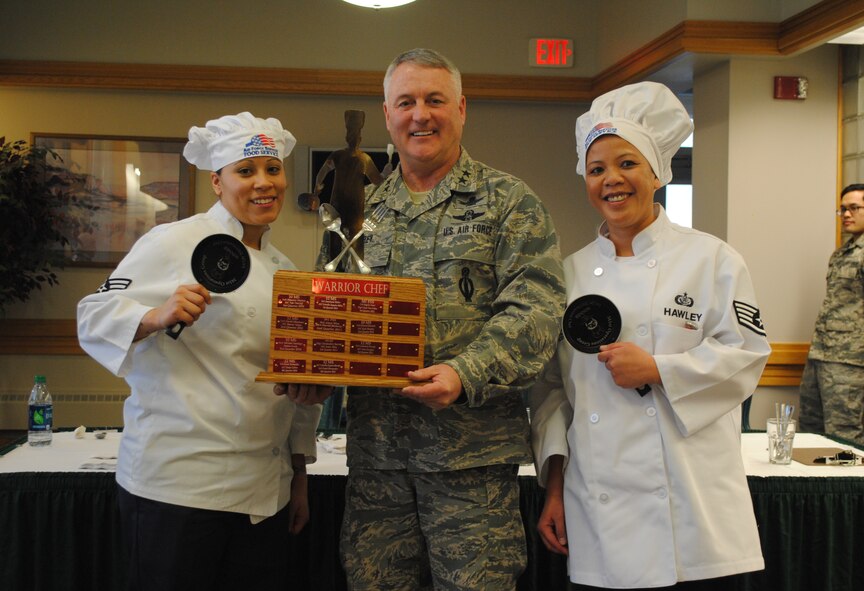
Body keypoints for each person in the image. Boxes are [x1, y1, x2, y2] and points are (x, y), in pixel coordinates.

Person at [320, 48, 565, 590]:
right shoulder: (358, 211)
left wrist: (466, 372)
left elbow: (538, 310)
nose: (420, 115)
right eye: (405, 102)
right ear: (387, 115)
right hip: (377, 463)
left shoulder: (509, 203)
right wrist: (310, 374)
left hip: (470, 465)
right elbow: (329, 308)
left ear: (461, 108)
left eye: (434, 100)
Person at [530, 82, 771, 590]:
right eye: (596, 170)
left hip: (691, 515)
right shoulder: (566, 276)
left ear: (658, 172)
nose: (611, 180)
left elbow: (748, 355)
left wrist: (660, 370)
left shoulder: (712, 260)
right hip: (599, 513)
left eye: (627, 164)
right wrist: (554, 486)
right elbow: (553, 393)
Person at [77, 112, 322, 591]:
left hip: (262, 494)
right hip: (178, 489)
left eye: (272, 169)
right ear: (217, 181)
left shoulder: (285, 270)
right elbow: (91, 315)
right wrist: (154, 316)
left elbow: (294, 374)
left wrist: (298, 473)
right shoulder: (174, 241)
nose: (263, 183)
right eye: (246, 171)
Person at [798, 183, 864, 443]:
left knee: (842, 437)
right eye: (843, 209)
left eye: (854, 208)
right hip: (822, 352)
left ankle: (847, 485)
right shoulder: (845, 250)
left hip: (850, 358)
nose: (846, 214)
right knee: (809, 433)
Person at [313, 109, 385, 260]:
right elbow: (378, 181)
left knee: (351, 238)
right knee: (347, 237)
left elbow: (323, 172)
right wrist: (385, 173)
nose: (354, 139)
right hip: (347, 204)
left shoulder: (359, 158)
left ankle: (350, 267)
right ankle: (343, 266)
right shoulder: (360, 158)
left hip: (350, 205)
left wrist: (318, 187)